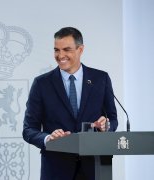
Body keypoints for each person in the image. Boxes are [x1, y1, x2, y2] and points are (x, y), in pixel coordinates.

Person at [22, 27, 118, 180]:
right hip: (56, 169)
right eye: (56, 50)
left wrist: (106, 126)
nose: (60, 56)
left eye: (66, 49)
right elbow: (28, 130)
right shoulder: (42, 83)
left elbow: (112, 119)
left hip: (95, 167)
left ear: (80, 49)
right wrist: (48, 139)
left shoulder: (101, 79)